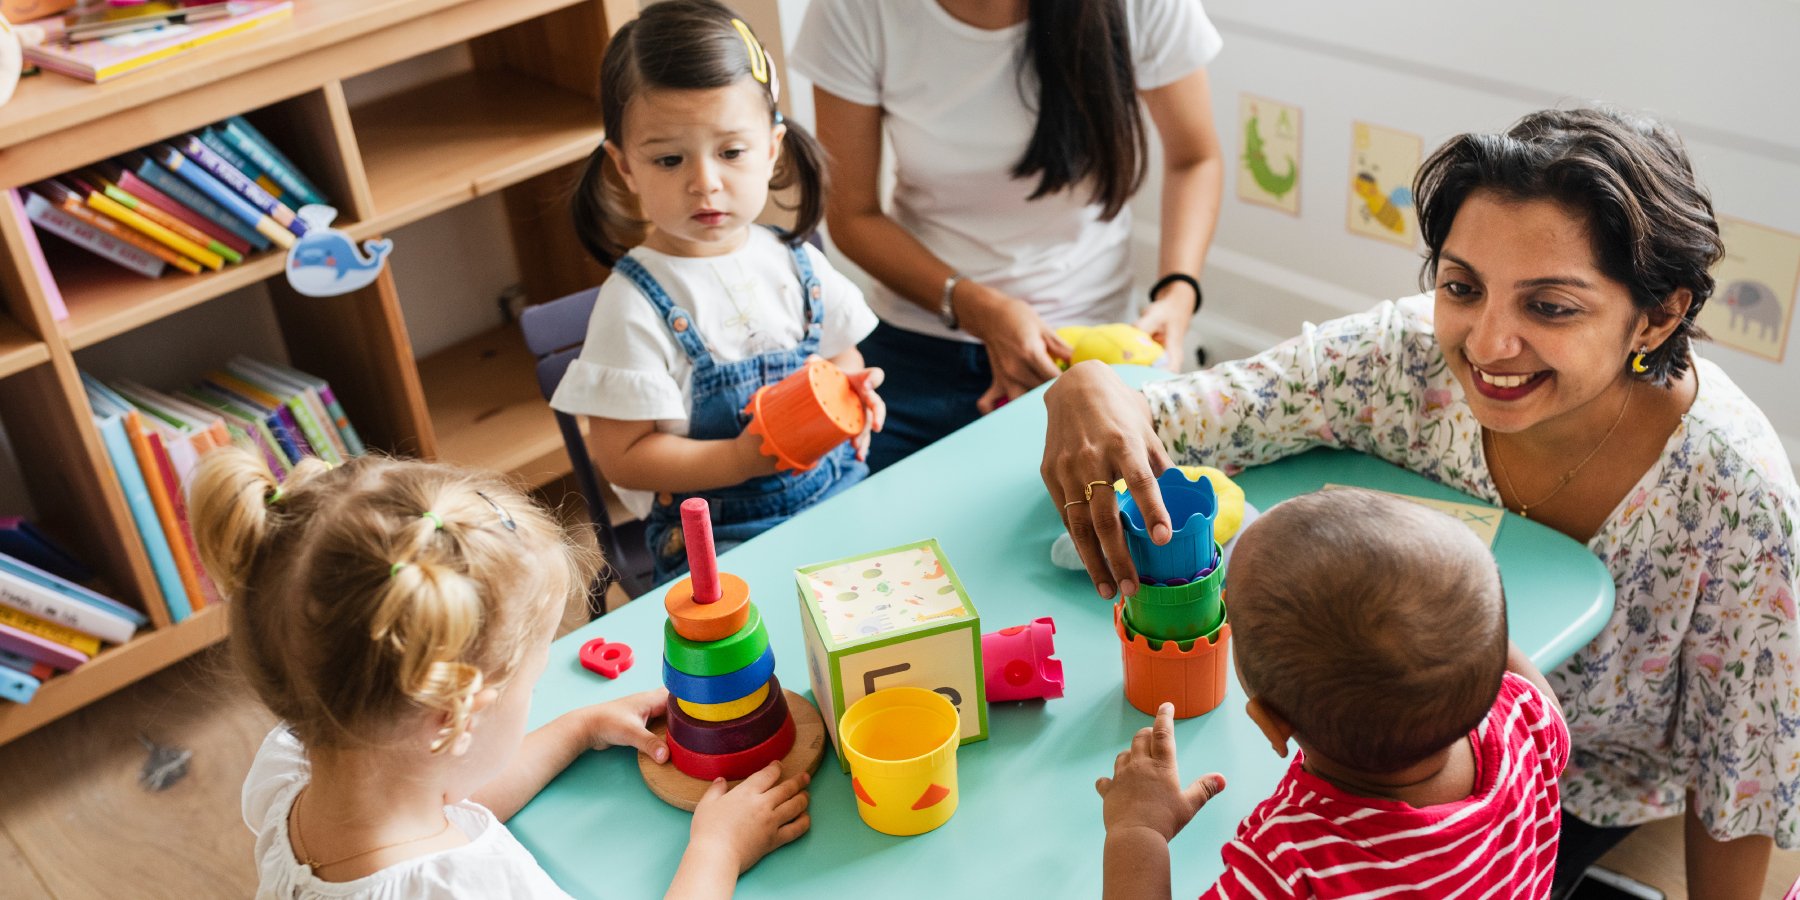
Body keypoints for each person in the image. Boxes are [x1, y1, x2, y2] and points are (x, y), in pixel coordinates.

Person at [1044, 107, 1800, 897]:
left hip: (1572, 793)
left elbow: (1741, 770)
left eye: (1550, 306)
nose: (1485, 344)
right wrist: (1091, 385)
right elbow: (1181, 416)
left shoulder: (1735, 492)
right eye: (1462, 287)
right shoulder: (1397, 359)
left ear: (1659, 314)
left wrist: (1136, 837)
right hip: (1392, 753)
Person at [191, 448, 812, 898]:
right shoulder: (469, 887)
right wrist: (717, 852)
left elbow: (444, 795)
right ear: (453, 716)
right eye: (532, 682)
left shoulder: (294, 769)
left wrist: (578, 727)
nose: (535, 696)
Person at [793, 0, 1226, 471]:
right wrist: (980, 308)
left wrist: (1178, 293)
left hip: (1087, 352)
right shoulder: (854, 10)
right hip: (916, 349)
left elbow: (1194, 159)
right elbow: (852, 215)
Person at [555, 0, 884, 584]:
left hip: (839, 491)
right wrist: (738, 459)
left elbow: (840, 354)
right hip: (722, 540)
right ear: (624, 166)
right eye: (668, 158)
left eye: (731, 152)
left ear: (772, 148)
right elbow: (621, 455)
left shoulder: (795, 260)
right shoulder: (633, 304)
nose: (704, 181)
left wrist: (849, 392)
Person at [1100, 489, 1570, 897]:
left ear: (1271, 722)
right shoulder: (1526, 722)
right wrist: (1448, 614)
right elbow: (1501, 661)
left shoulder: (1292, 864)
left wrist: (1139, 830)